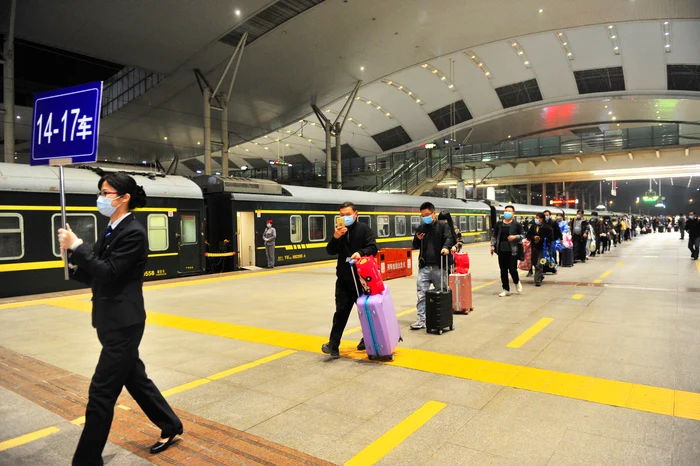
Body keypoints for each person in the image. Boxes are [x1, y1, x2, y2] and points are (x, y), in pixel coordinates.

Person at [57, 173, 183, 465]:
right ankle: (171, 424)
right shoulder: (112, 228)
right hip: (108, 319)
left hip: (124, 323)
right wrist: (73, 262)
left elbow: (111, 271)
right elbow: (98, 272)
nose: (101, 197)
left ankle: (86, 460)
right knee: (134, 378)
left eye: (106, 192)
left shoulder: (134, 232)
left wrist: (79, 247)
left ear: (123, 197)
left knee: (101, 392)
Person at [322, 202, 378, 358]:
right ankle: (333, 345)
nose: (344, 217)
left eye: (347, 214)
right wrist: (335, 237)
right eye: (341, 215)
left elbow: (373, 248)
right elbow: (330, 250)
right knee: (340, 312)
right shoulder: (339, 232)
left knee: (365, 312)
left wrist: (360, 252)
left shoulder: (363, 230)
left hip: (362, 279)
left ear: (355, 214)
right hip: (344, 280)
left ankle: (367, 339)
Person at [411, 202, 453, 329]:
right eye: (423, 215)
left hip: (439, 266)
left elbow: (449, 238)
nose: (425, 217)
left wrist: (446, 248)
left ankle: (444, 318)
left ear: (434, 213)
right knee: (421, 294)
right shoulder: (421, 227)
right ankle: (421, 320)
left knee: (442, 292)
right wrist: (417, 239)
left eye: (427, 214)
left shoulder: (443, 226)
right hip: (424, 267)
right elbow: (415, 246)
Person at [490, 205, 525, 297]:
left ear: (513, 213)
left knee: (512, 269)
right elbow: (494, 235)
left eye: (509, 211)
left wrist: (515, 237)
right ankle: (506, 289)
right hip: (501, 250)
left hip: (512, 250)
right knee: (503, 270)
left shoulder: (516, 224)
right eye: (505, 210)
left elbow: (523, 235)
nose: (507, 212)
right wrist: (492, 246)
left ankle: (517, 282)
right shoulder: (499, 223)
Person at [527, 213, 553, 287]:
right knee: (535, 263)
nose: (537, 219)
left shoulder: (548, 228)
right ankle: (540, 276)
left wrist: (541, 239)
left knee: (539, 264)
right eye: (536, 218)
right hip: (534, 247)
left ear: (542, 219)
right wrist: (533, 237)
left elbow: (550, 238)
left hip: (543, 248)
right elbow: (528, 235)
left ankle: (537, 280)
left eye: (539, 218)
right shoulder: (533, 227)